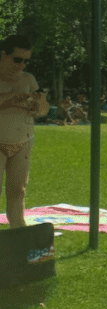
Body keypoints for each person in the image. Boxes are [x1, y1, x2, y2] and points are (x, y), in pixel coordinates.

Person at [0, 35, 48, 228]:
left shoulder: (29, 79)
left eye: (26, 61)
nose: (22, 65)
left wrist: (38, 105)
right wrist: (10, 99)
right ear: (3, 55)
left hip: (23, 142)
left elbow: (43, 109)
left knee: (18, 191)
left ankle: (18, 232)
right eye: (18, 59)